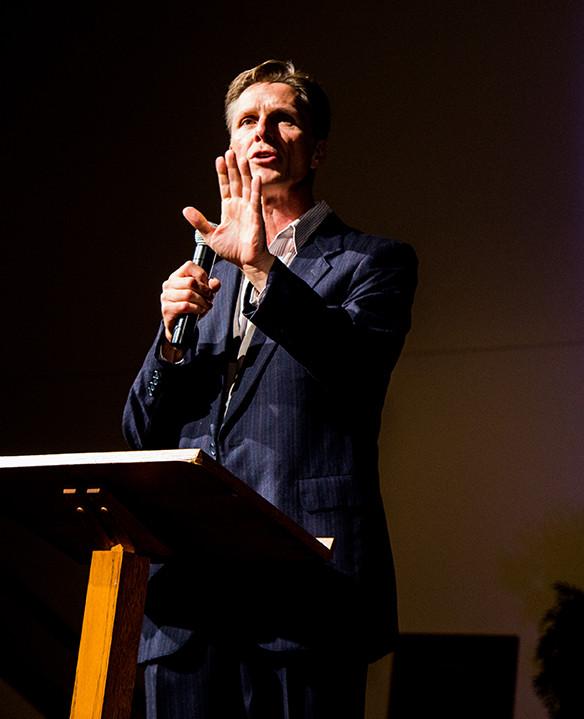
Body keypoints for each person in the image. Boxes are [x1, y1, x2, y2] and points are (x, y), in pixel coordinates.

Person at [122, 60, 417, 717]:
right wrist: (171, 336)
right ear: (230, 150)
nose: (263, 131)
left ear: (316, 149)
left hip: (305, 597)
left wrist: (260, 265)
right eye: (247, 121)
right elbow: (141, 435)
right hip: (188, 609)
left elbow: (355, 366)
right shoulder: (205, 272)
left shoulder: (374, 262)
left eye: (283, 117)